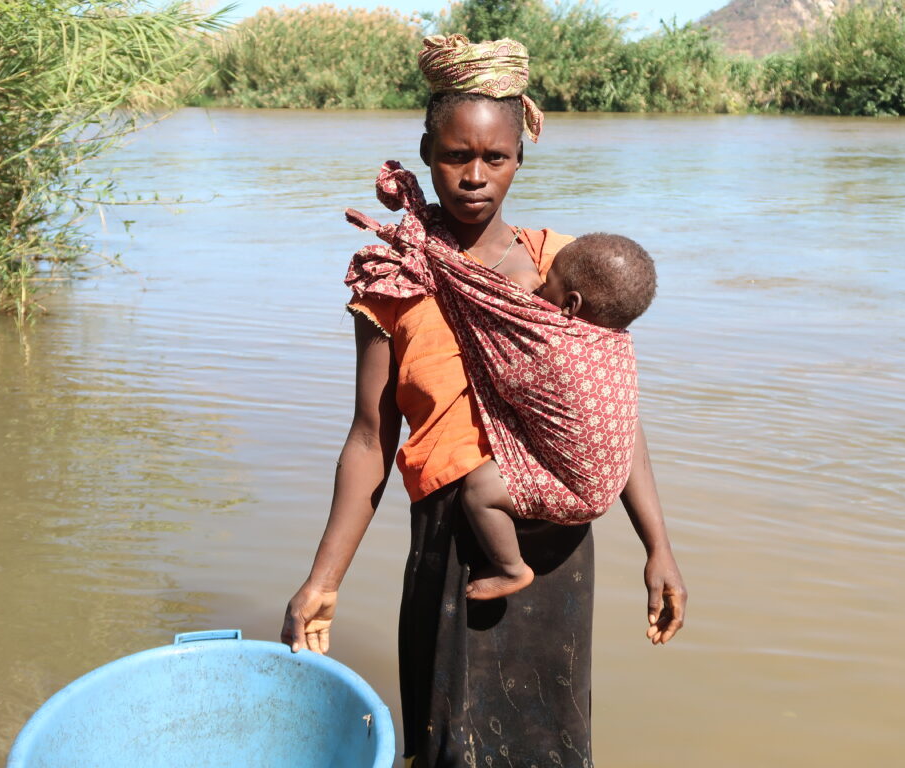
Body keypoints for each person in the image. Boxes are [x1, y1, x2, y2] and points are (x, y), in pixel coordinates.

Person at [281, 34, 687, 768]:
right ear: (426, 153)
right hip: (451, 543)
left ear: (520, 158)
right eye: (454, 157)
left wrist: (658, 546)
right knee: (445, 745)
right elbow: (370, 439)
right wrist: (323, 579)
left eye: (494, 158)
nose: (473, 177)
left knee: (553, 741)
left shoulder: (563, 268)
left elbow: (608, 413)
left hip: (557, 544)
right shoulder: (394, 279)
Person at [461, 233, 658, 600]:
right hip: (608, 478)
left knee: (479, 490)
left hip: (580, 494)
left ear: (569, 304)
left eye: (545, 283)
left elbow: (503, 370)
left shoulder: (554, 351)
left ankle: (511, 568)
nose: (536, 289)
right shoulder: (614, 341)